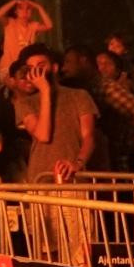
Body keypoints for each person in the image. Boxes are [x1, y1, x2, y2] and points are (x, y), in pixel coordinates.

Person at [12, 47, 98, 183]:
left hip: (72, 175)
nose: (37, 72)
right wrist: (45, 91)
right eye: (31, 68)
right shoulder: (25, 103)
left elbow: (89, 136)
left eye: (41, 66)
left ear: (55, 67)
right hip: (41, 176)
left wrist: (78, 163)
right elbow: (43, 135)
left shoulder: (79, 96)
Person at [0, 0, 54, 75]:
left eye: (28, 9)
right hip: (7, 67)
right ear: (16, 11)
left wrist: (38, 7)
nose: (25, 12)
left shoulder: (33, 26)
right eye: (21, 8)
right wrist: (14, 1)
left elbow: (49, 25)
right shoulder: (10, 23)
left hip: (24, 67)